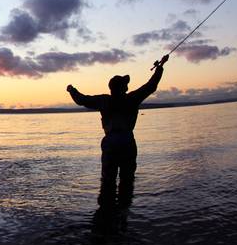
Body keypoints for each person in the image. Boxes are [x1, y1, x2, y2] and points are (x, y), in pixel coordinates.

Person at [67, 54, 169, 209]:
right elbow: (151, 85)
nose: (128, 86)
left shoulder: (104, 100)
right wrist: (160, 68)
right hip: (127, 141)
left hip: (110, 143)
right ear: (123, 88)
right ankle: (123, 212)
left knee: (108, 179)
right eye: (125, 84)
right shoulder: (132, 98)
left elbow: (82, 100)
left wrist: (72, 90)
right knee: (127, 180)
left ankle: (107, 212)